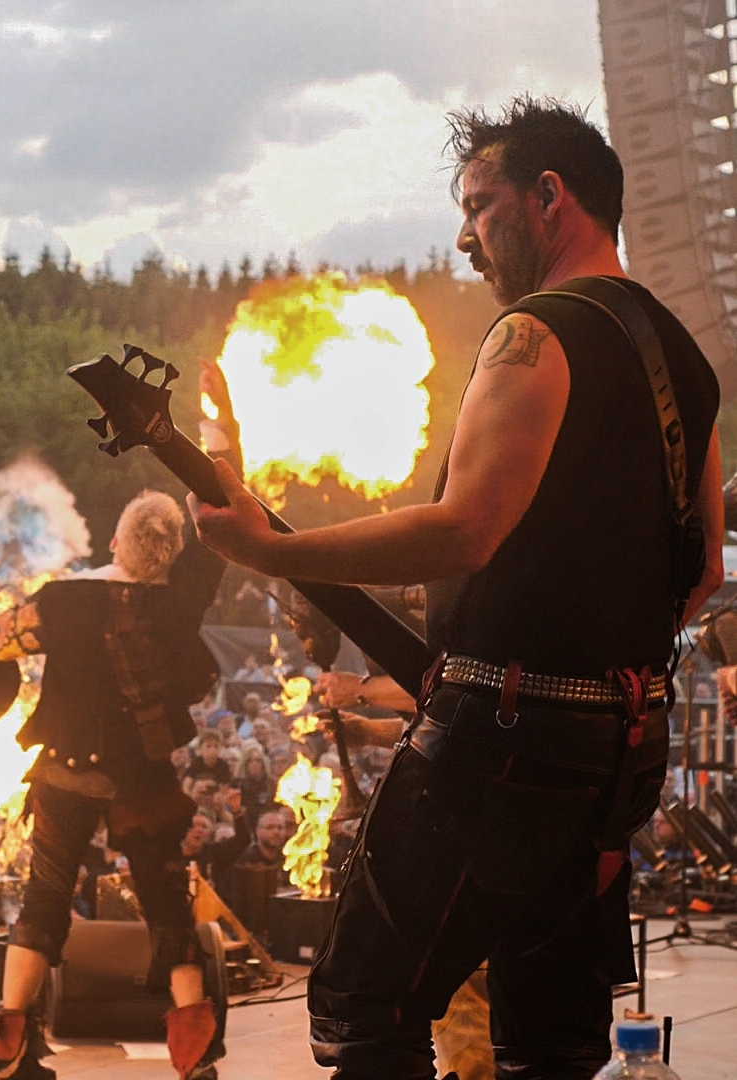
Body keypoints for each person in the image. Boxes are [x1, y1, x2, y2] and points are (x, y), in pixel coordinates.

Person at [187, 98, 724, 1079]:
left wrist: (269, 553)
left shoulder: (538, 332)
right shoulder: (681, 360)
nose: (466, 236)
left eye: (480, 205)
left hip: (498, 744)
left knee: (362, 1006)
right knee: (548, 1037)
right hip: (617, 752)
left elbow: (464, 530)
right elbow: (705, 574)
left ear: (549, 197)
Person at [0, 488, 229, 1080]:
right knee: (167, 908)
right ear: (171, 553)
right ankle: (195, 1059)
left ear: (115, 542)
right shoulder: (181, 598)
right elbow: (222, 535)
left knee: (46, 896)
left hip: (66, 770)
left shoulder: (66, 600)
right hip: (145, 780)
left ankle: (8, 1044)